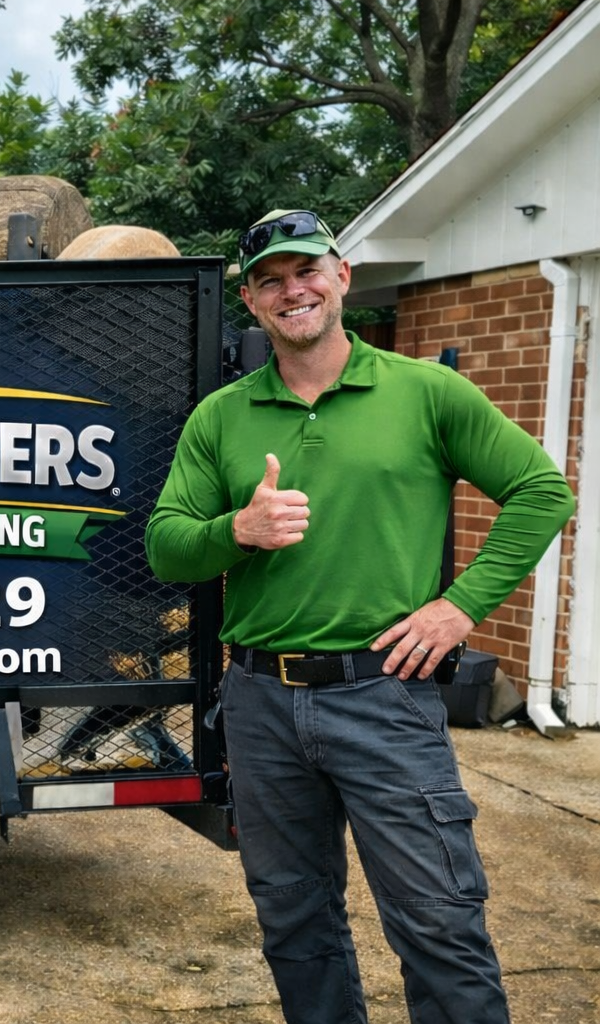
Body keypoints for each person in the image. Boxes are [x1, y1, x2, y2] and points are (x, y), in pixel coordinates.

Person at [144, 209, 575, 1024]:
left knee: (439, 921)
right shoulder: (221, 416)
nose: (292, 291)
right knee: (294, 920)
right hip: (261, 702)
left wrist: (460, 607)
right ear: (251, 301)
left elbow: (541, 492)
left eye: (307, 270)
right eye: (271, 281)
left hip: (384, 695)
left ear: (341, 276)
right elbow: (166, 547)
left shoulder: (425, 392)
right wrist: (237, 530)